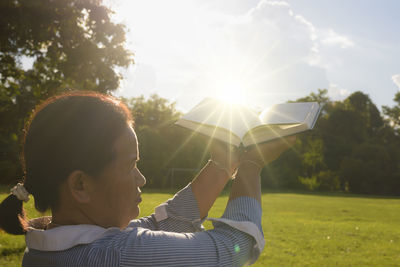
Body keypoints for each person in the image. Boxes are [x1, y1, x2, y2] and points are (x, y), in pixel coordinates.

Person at [0, 91, 296, 266]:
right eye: (131, 166)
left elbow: (162, 225)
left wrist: (222, 163)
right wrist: (252, 163)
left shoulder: (44, 242)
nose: (141, 179)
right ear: (81, 185)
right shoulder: (117, 254)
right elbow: (233, 247)